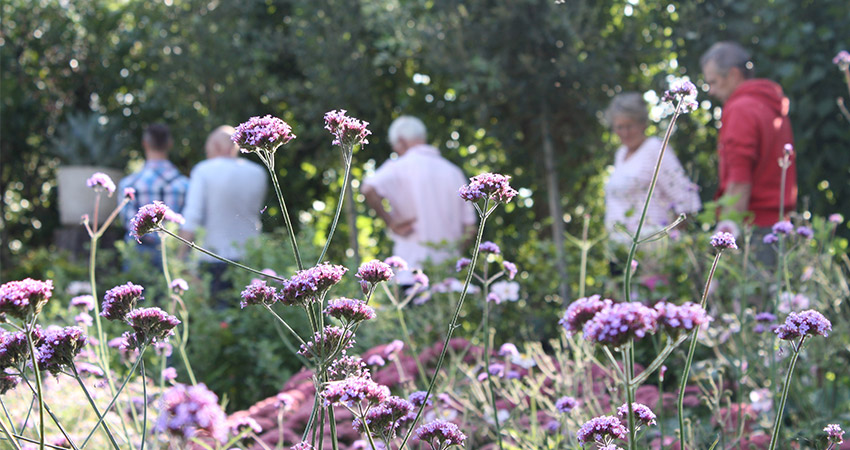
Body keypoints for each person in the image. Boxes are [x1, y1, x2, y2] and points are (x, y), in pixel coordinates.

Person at [361, 116, 476, 285]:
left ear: (401, 141)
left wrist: (391, 223)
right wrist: (454, 252)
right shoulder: (453, 172)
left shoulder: (398, 167)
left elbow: (368, 189)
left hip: (410, 273)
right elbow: (470, 228)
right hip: (448, 277)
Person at [701, 41, 796, 236]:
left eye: (713, 82)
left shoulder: (740, 108)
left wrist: (726, 234)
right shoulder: (770, 104)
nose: (710, 91)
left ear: (734, 74)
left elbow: (739, 179)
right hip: (779, 223)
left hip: (752, 226)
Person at [603, 92, 702, 250]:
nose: (625, 133)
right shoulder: (620, 154)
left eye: (629, 126)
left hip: (650, 249)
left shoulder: (654, 149)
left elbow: (686, 198)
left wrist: (668, 244)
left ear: (643, 123)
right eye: (619, 127)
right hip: (619, 248)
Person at [179, 125, 268, 299]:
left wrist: (180, 257)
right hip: (250, 257)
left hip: (213, 258)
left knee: (219, 318)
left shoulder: (203, 170)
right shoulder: (258, 172)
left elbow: (192, 216)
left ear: (217, 147)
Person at [119, 123, 190, 265]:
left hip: (139, 258)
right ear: (170, 144)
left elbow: (128, 223)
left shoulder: (129, 184)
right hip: (175, 255)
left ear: (144, 144)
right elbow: (189, 223)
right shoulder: (185, 184)